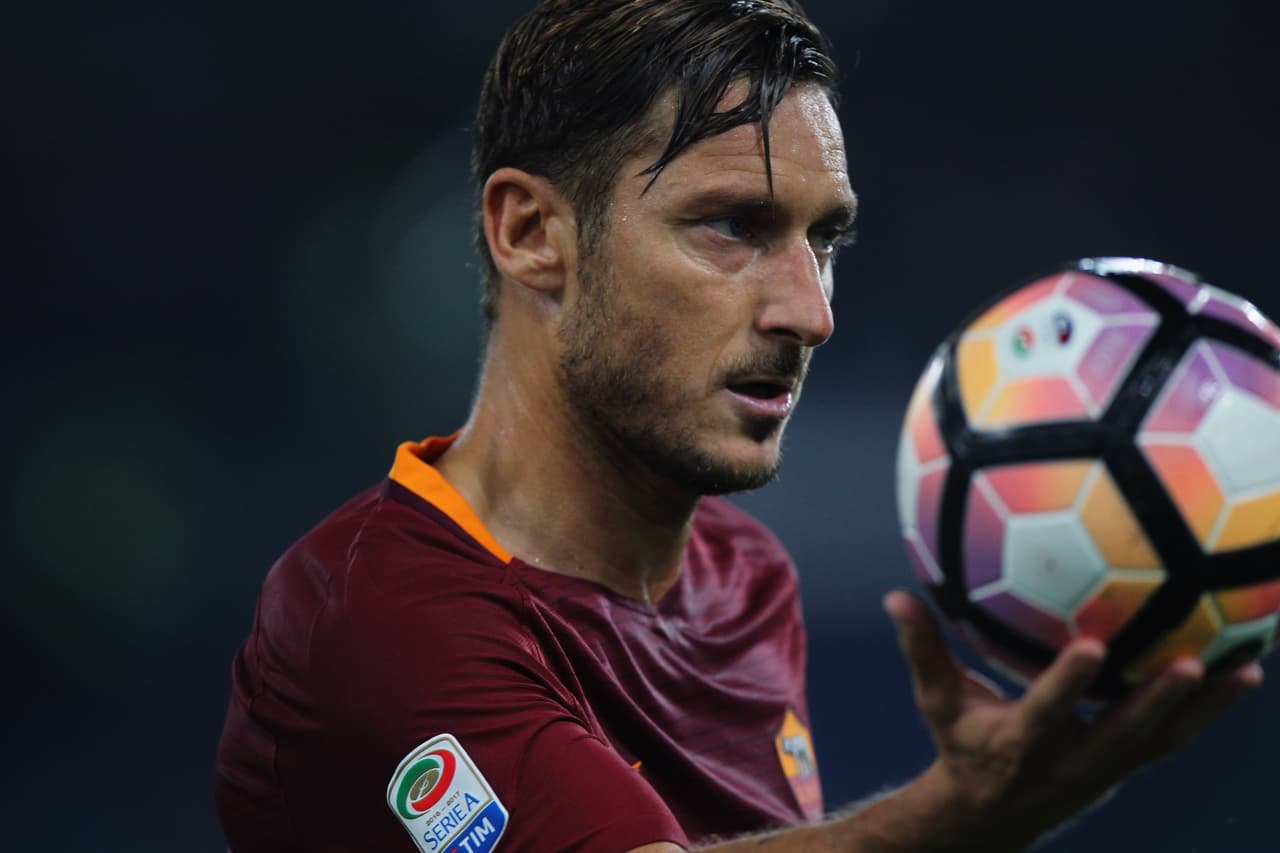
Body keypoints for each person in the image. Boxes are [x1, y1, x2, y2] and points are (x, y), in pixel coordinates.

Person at [214, 1, 1263, 850]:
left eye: (824, 239)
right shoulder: (370, 611)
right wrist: (958, 818)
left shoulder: (740, 575)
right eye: (733, 225)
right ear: (530, 233)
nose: (811, 313)